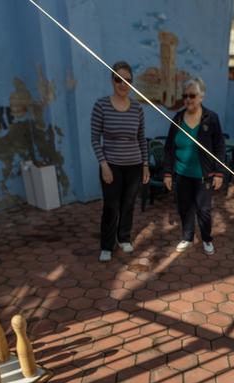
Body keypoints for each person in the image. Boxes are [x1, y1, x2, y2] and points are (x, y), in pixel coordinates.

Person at [90, 61, 150, 262]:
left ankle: (124, 237)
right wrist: (104, 164)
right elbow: (94, 139)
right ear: (112, 80)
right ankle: (107, 245)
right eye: (119, 79)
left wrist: (145, 165)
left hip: (134, 165)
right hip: (111, 167)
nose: (123, 84)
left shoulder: (137, 108)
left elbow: (141, 138)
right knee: (111, 206)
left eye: (128, 80)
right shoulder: (101, 105)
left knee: (129, 204)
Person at [163, 77, 226, 255]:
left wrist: (219, 174)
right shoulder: (178, 118)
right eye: (185, 96)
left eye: (192, 95)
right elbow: (169, 148)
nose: (188, 99)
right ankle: (187, 237)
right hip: (182, 173)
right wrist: (168, 173)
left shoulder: (210, 118)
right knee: (185, 207)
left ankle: (206, 239)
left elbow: (220, 146)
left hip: (203, 175)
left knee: (204, 210)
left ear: (201, 97)